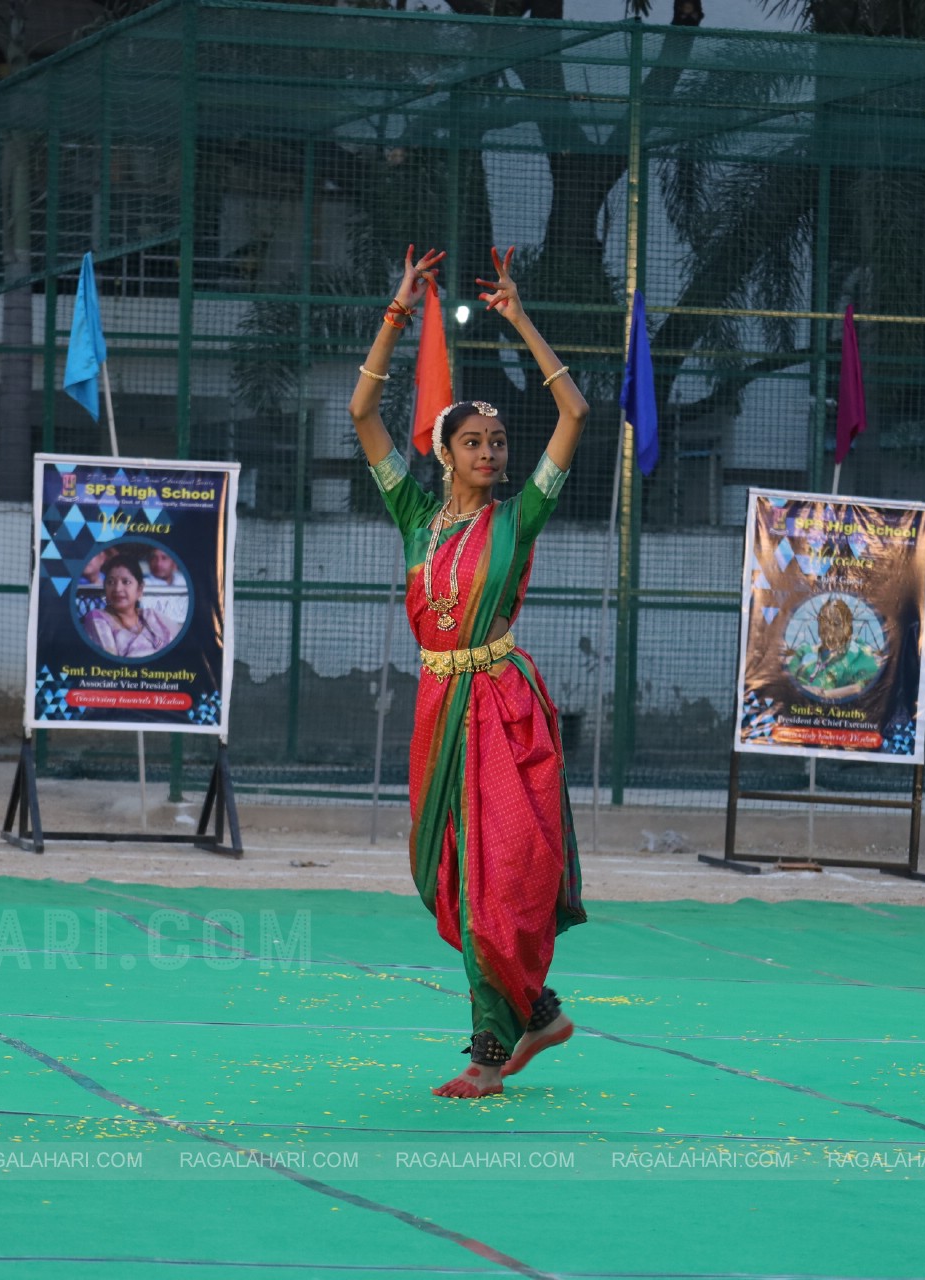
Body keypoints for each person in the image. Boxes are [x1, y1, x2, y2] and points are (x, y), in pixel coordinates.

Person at [348, 244, 590, 1099]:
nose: (490, 452)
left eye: (497, 442)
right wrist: (396, 314)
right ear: (446, 452)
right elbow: (362, 410)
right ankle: (541, 1014)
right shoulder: (415, 514)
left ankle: (489, 1055)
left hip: (503, 708)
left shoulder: (520, 518)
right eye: (474, 442)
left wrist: (519, 319)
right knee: (446, 875)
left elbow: (575, 412)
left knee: (504, 874)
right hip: (439, 707)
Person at [84, 549, 178, 658]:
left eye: (126, 582)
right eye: (110, 582)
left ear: (139, 590)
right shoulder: (97, 618)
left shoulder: (151, 616)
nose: (117, 589)